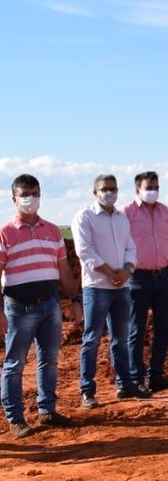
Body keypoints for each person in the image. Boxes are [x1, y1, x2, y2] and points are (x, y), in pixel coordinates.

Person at [1, 174, 82, 438]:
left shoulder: (52, 231)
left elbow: (64, 269)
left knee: (49, 360)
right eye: (24, 194)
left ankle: (47, 411)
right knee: (15, 364)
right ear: (14, 199)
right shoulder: (5, 233)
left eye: (34, 193)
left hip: (50, 305)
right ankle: (16, 419)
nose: (30, 199)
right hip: (19, 307)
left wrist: (75, 300)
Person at [73, 174, 151, 408]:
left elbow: (131, 247)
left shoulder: (121, 218)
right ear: (94, 192)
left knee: (121, 339)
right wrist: (110, 273)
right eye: (105, 189)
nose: (109, 192)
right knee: (92, 339)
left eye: (113, 188)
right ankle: (87, 391)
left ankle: (124, 384)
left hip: (121, 288)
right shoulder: (84, 217)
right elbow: (85, 252)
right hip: (97, 288)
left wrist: (126, 271)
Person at [123, 171, 168, 392]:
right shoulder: (126, 214)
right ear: (137, 189)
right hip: (138, 278)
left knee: (164, 327)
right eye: (149, 187)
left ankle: (155, 374)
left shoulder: (164, 211)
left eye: (156, 187)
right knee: (136, 329)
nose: (153, 191)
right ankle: (136, 377)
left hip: (164, 277)